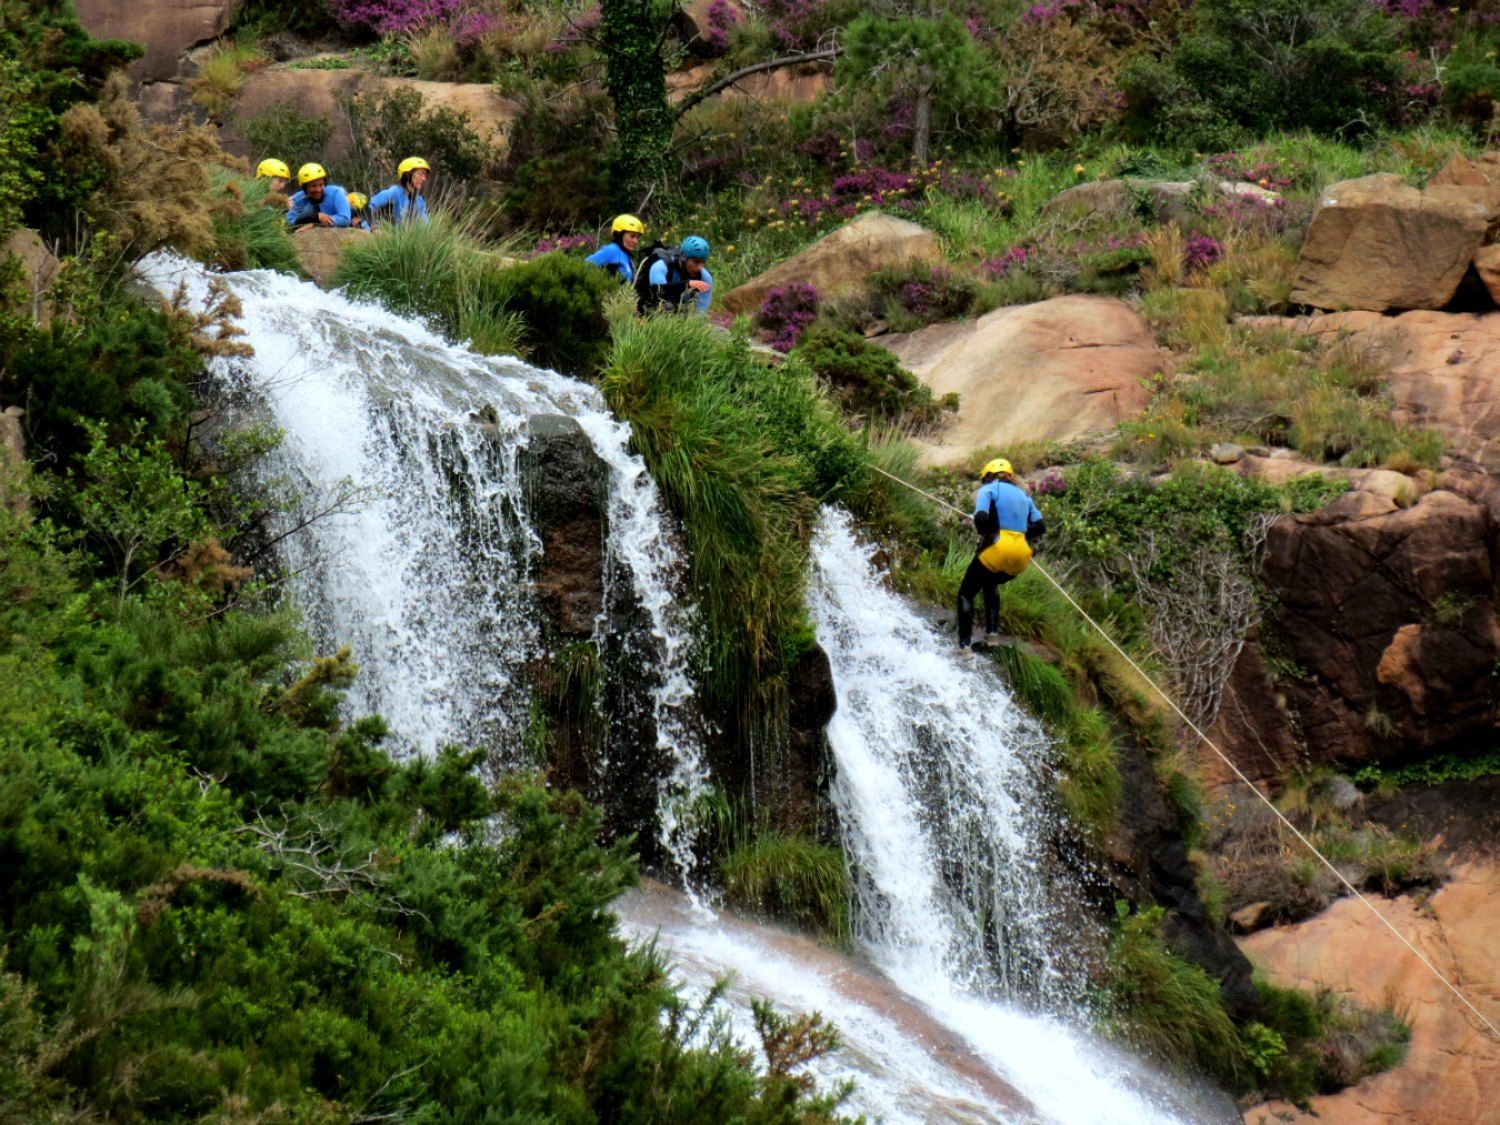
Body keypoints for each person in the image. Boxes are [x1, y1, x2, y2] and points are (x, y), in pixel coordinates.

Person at [956, 458, 1045, 652]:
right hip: (1021, 554)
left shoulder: (988, 490)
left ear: (987, 476)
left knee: (966, 593)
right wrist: (1019, 534)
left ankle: (963, 648)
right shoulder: (1024, 495)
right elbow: (1040, 526)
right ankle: (992, 637)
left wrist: (985, 533)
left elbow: (981, 517)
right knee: (990, 583)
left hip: (997, 548)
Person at [634, 235, 713, 315]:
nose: (700, 267)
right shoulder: (660, 266)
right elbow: (658, 292)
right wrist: (687, 284)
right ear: (683, 257)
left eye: (703, 262)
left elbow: (701, 312)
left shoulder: (705, 277)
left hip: (676, 308)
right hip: (647, 306)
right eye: (696, 262)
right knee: (667, 307)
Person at [285, 163, 352, 231]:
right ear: (305, 187)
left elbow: (345, 219)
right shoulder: (298, 199)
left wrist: (316, 224)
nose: (318, 190)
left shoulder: (336, 192)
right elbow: (289, 223)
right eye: (314, 186)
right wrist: (314, 217)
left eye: (321, 185)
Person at [367, 156, 431, 226]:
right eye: (420, 174)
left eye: (425, 175)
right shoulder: (395, 192)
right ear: (407, 174)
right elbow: (370, 206)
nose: (424, 178)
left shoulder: (419, 201)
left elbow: (425, 226)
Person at [585, 214, 645, 282]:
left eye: (637, 237)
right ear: (619, 234)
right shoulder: (611, 250)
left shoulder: (626, 254)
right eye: (632, 236)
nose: (636, 241)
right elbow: (584, 266)